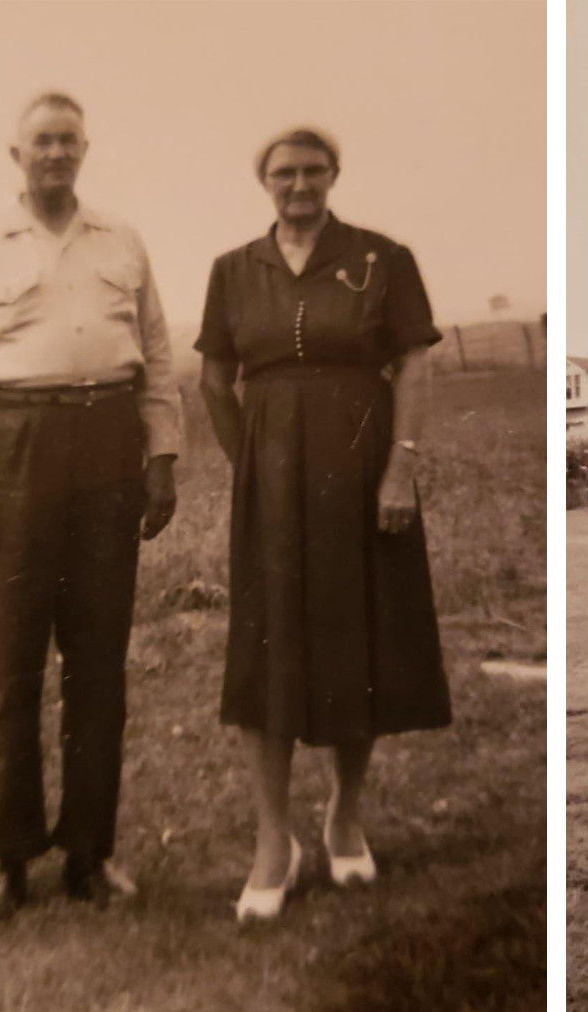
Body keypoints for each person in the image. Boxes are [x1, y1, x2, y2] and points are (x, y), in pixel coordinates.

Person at [0, 92, 182, 921]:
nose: (56, 154)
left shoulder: (123, 240)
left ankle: (89, 853)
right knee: (8, 666)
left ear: (85, 149)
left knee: (99, 664)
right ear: (16, 153)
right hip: (12, 452)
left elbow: (159, 353)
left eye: (69, 140)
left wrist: (162, 458)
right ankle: (7, 859)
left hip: (106, 442)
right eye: (42, 141)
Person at [196, 126, 452, 922]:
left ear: (335, 174)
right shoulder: (234, 270)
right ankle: (275, 840)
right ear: (262, 182)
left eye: (312, 171)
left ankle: (345, 814)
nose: (298, 184)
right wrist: (253, 466)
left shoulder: (383, 257)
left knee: (358, 639)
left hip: (361, 466)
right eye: (283, 173)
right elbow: (212, 377)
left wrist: (399, 467)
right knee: (267, 649)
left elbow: (411, 362)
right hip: (270, 481)